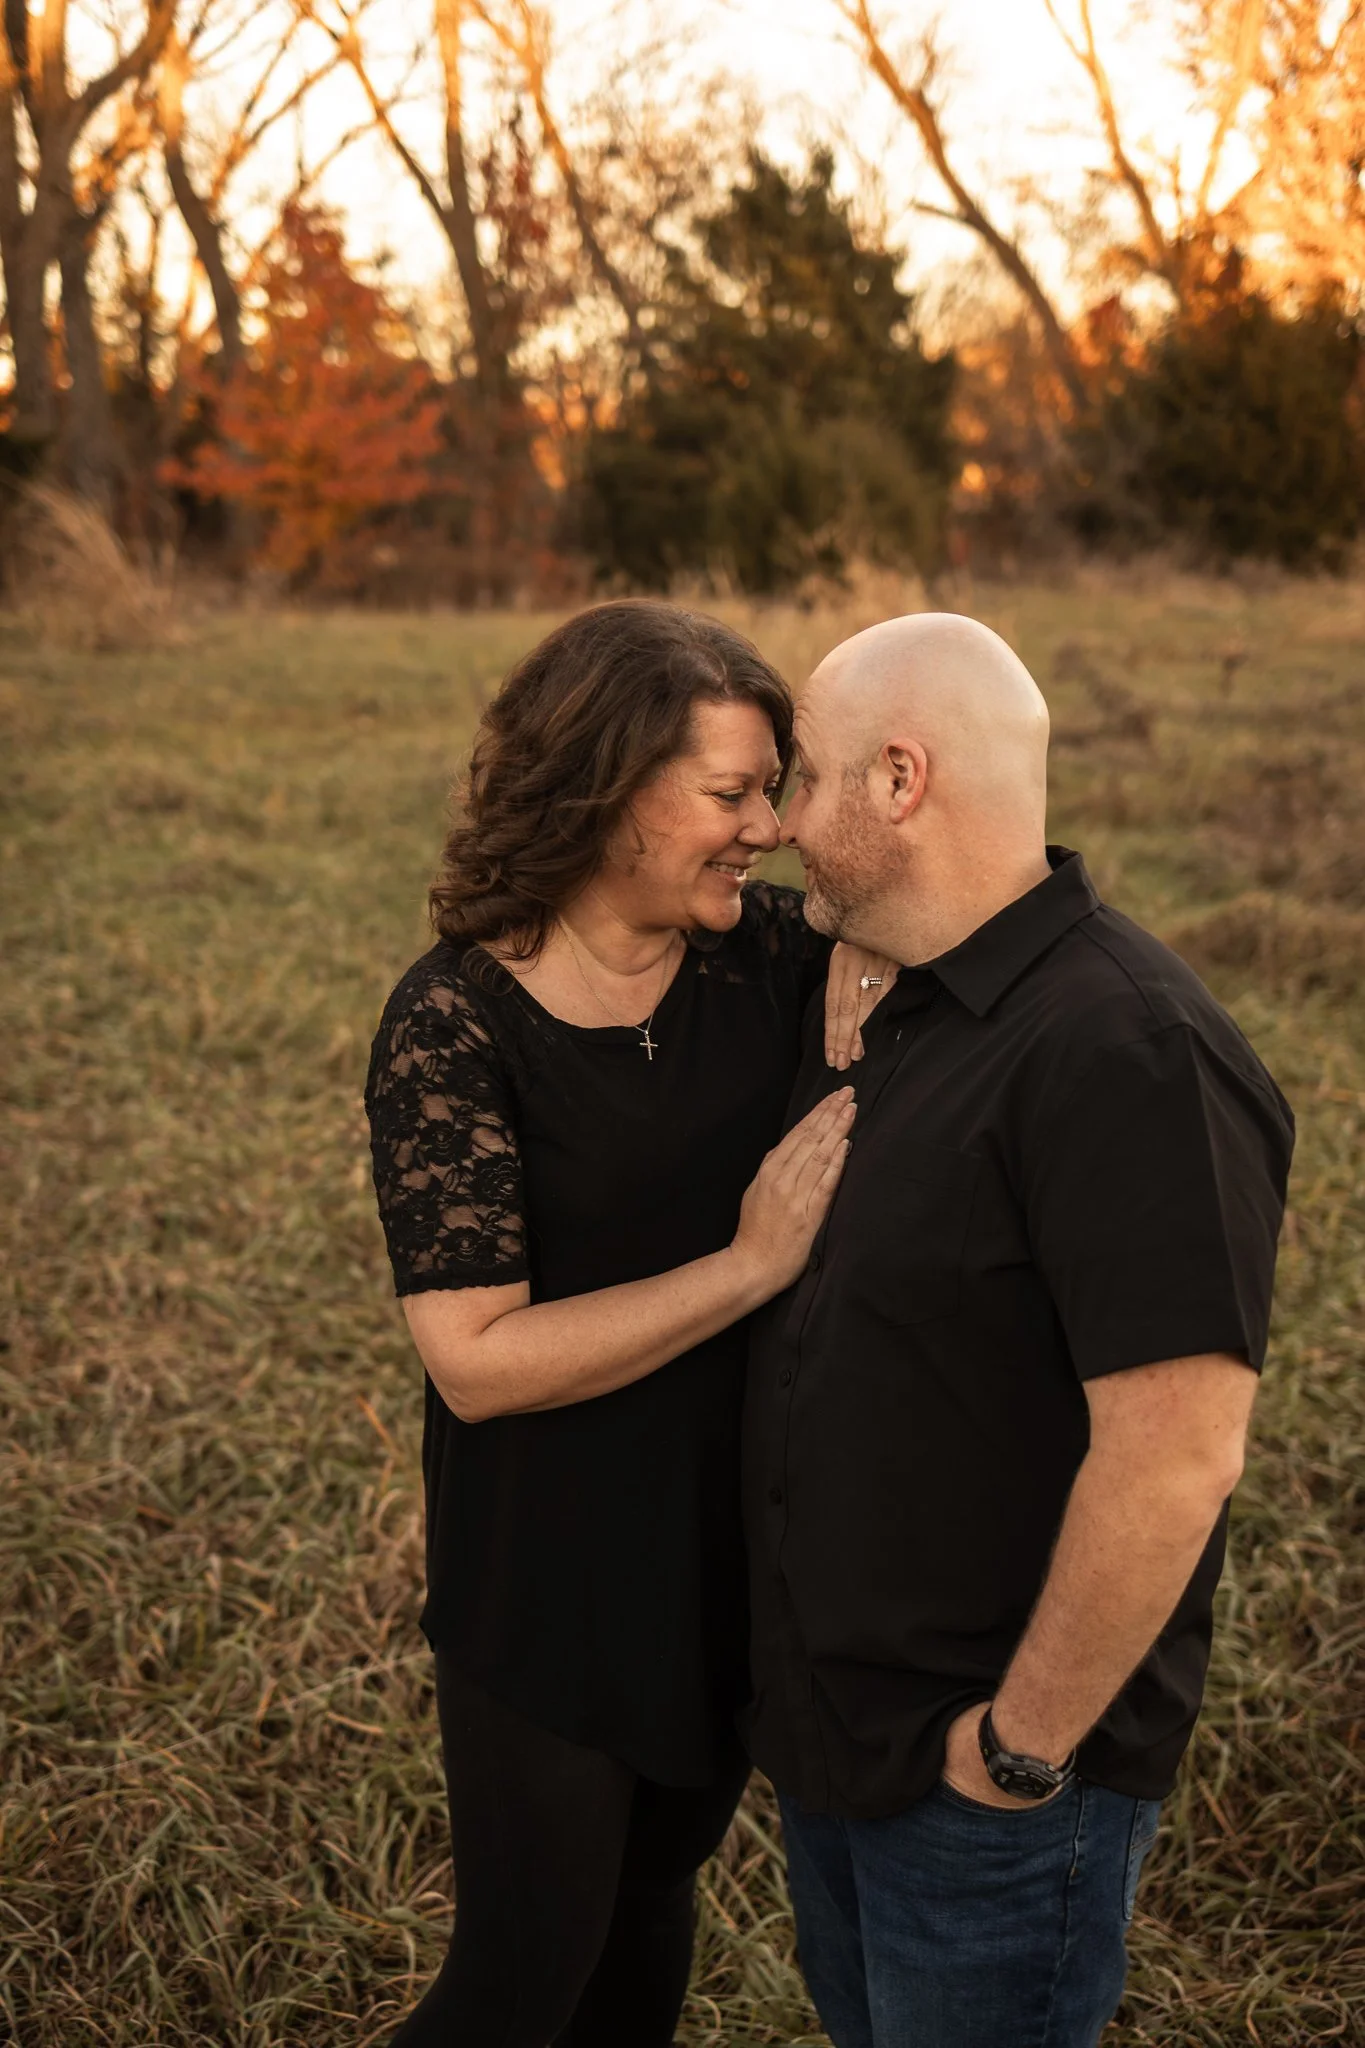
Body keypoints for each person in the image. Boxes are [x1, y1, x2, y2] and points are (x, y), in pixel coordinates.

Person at [743, 612, 1295, 2048]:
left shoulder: (1132, 1053)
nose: (783, 824)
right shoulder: (896, 996)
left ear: (901, 780)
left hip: (987, 1794)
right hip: (841, 1745)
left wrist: (1015, 1754)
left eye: (808, 778)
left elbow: (1179, 1456)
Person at [364, 600, 885, 2047]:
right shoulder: (455, 1024)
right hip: (553, 1573)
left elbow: (941, 947)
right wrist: (747, 1265)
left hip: (729, 1556)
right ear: (607, 793)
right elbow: (473, 1363)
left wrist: (874, 948)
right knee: (518, 1981)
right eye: (732, 794)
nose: (768, 830)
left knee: (651, 1926)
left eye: (772, 790)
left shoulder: (768, 956)